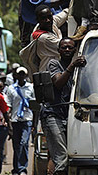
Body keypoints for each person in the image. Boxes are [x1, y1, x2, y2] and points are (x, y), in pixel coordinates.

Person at [42, 38, 86, 175]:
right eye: (64, 47)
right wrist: (72, 66)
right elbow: (58, 83)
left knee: (73, 154)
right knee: (61, 157)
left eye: (70, 48)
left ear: (74, 50)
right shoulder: (54, 64)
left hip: (70, 116)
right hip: (52, 114)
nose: (67, 50)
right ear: (59, 50)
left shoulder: (80, 68)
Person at [4, 67, 35, 175]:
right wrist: (7, 122)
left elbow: (35, 105)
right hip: (15, 120)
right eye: (19, 74)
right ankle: (16, 168)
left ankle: (22, 168)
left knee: (24, 143)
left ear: (26, 76)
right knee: (16, 145)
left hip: (27, 119)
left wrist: (35, 123)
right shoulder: (11, 89)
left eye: (23, 74)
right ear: (16, 76)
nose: (21, 76)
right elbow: (8, 106)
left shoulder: (31, 88)